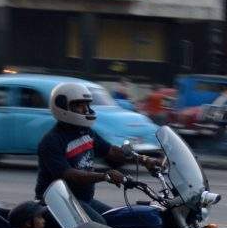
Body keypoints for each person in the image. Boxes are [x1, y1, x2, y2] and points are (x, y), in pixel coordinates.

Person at [34, 82, 162, 219]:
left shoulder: (85, 132)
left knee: (121, 218)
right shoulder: (52, 141)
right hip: (59, 203)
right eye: (80, 105)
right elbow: (70, 175)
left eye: (87, 105)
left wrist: (143, 160)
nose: (86, 110)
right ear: (63, 106)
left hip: (83, 200)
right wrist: (104, 176)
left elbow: (111, 152)